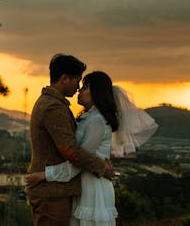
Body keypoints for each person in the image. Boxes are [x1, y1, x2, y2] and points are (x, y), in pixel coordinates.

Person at [28, 71, 159, 226]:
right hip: (84, 185)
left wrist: (45, 175)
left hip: (93, 189)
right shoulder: (89, 118)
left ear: (97, 93)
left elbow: (79, 161)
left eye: (85, 87)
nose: (80, 90)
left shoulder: (96, 121)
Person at [25, 55, 111, 226]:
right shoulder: (53, 107)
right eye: (77, 81)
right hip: (51, 193)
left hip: (55, 190)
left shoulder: (54, 104)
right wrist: (101, 167)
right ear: (64, 79)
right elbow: (71, 151)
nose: (78, 87)